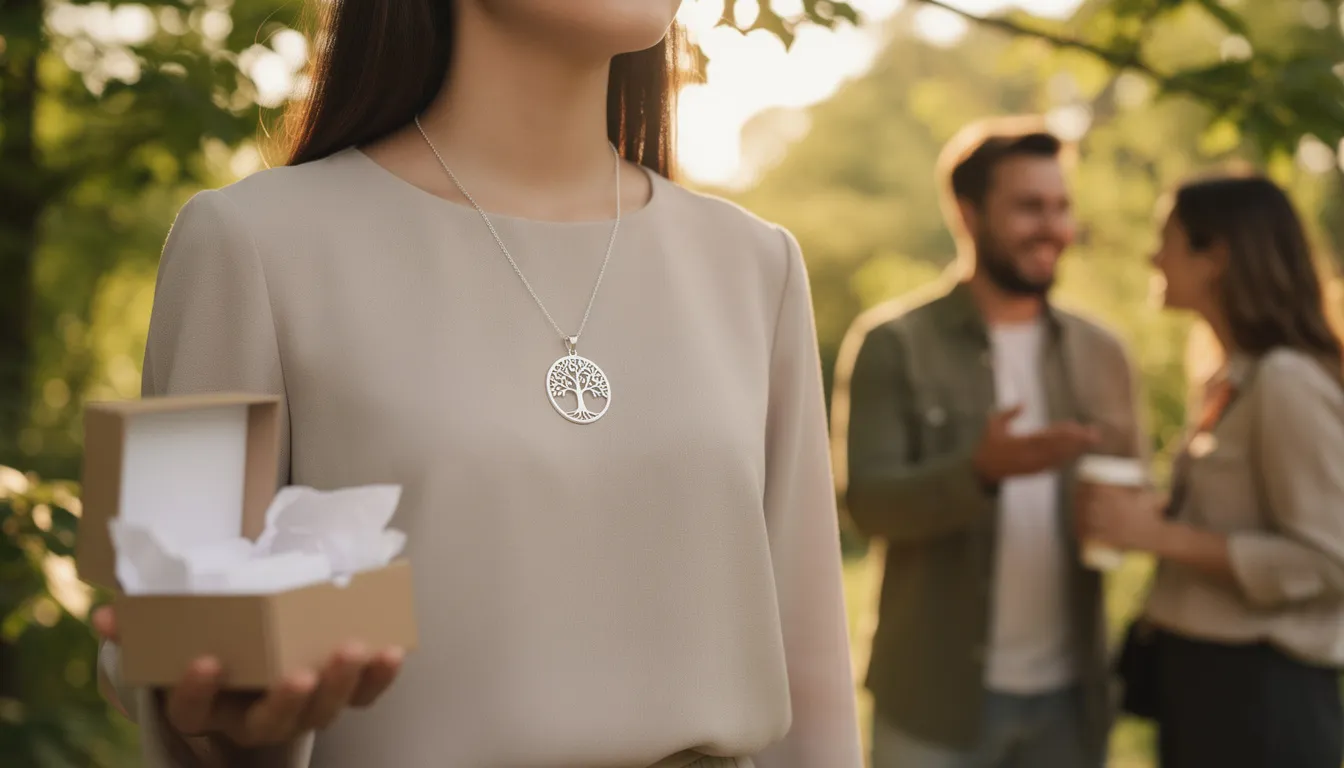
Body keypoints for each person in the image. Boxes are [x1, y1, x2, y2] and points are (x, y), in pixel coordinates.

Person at [90, 2, 864, 766]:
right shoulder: (239, 240)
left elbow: (813, 681)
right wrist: (229, 715)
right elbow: (155, 636)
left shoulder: (756, 264)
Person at [831, 116, 1146, 768]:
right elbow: (867, 505)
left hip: (1069, 701)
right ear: (968, 214)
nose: (1054, 228)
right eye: (1029, 207)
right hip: (931, 701)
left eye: (1061, 207)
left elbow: (1130, 501)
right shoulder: (893, 343)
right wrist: (978, 471)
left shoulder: (1102, 351)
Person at [1078, 175, 1344, 768]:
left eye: (1166, 239)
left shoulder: (1285, 382)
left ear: (1215, 258)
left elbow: (1330, 559)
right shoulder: (1229, 377)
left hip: (1263, 701)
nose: (1154, 256)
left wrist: (1157, 537)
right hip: (1209, 688)